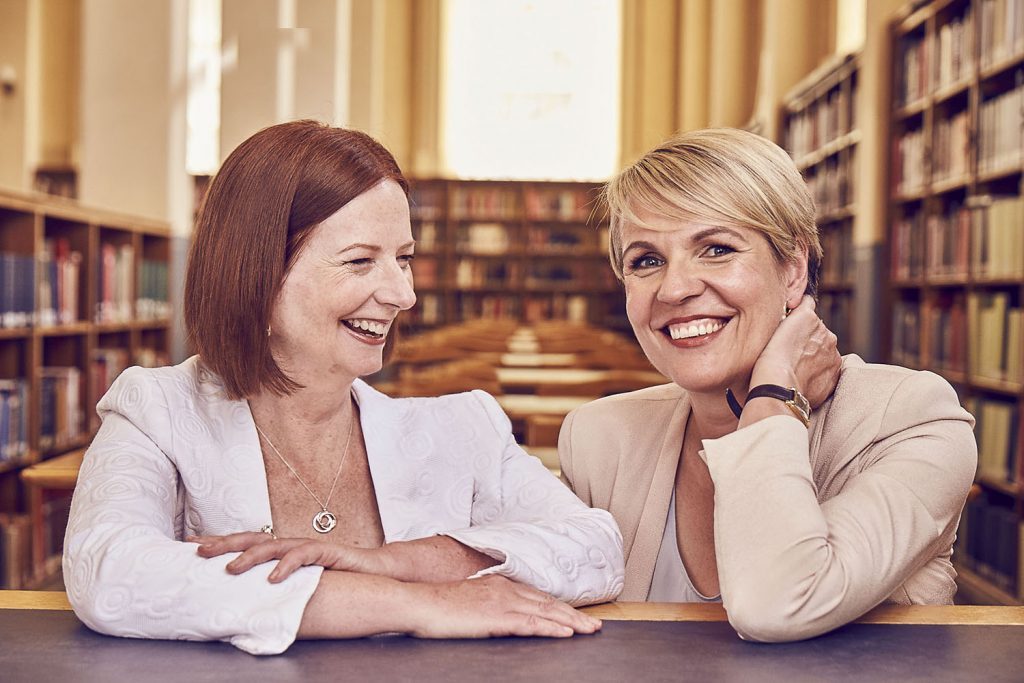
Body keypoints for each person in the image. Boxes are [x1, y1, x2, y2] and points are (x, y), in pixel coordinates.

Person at [63, 120, 623, 655]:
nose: (403, 295)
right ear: (256, 274)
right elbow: (108, 571)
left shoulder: (465, 428)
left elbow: (597, 549)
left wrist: (396, 563)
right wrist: (417, 606)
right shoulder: (156, 412)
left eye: (404, 260)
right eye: (360, 262)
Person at [558, 128, 976, 642]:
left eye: (715, 249)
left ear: (794, 271)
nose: (675, 288)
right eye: (646, 261)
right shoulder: (598, 437)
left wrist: (775, 396)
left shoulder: (910, 419)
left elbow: (776, 604)